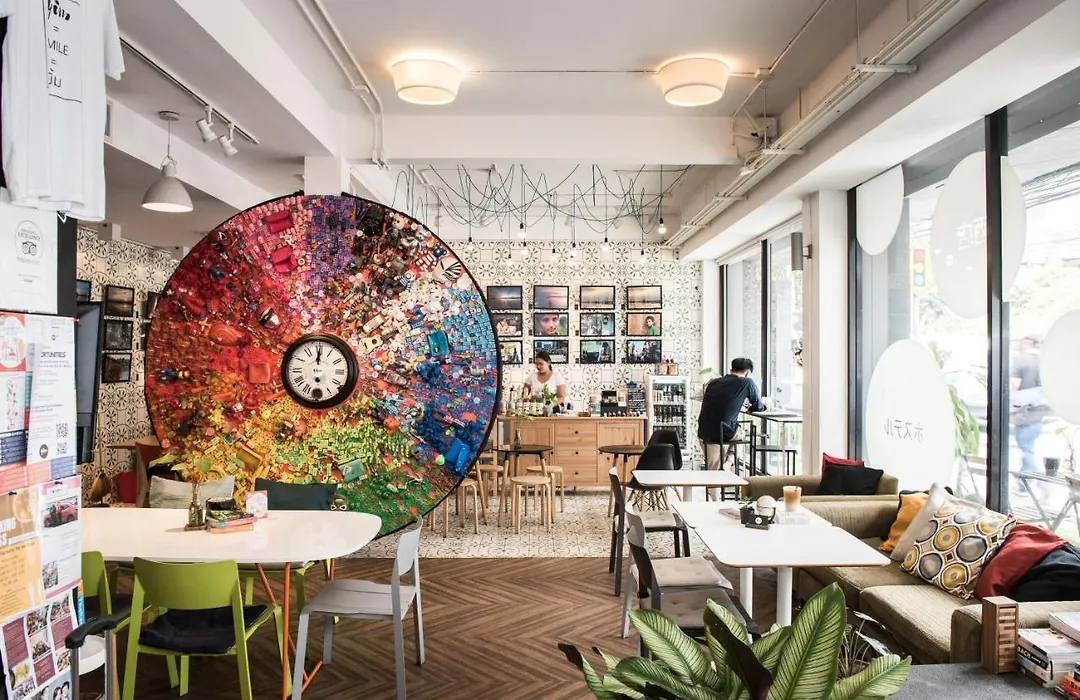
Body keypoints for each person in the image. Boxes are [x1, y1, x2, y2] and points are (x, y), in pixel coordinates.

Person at [697, 358, 766, 472]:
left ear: (731, 370)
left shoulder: (713, 382)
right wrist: (755, 407)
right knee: (742, 435)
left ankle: (717, 475)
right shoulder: (747, 382)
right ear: (747, 372)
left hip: (704, 431)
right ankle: (729, 463)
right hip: (724, 431)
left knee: (713, 471)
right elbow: (758, 407)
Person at [1012, 335, 1049, 491]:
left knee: (1026, 448)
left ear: (1028, 343)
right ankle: (1025, 483)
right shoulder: (1044, 361)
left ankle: (1039, 481)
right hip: (1039, 411)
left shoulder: (1021, 359)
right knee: (1028, 447)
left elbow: (1015, 384)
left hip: (1024, 412)